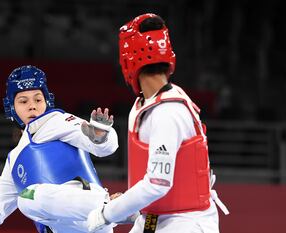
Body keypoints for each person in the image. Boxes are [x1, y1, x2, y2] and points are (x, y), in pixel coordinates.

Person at [0, 65, 121, 233]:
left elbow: (104, 147)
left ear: (47, 102)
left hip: (92, 216)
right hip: (62, 229)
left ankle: (114, 208)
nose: (32, 107)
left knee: (27, 197)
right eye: (23, 101)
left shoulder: (55, 121)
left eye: (38, 100)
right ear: (11, 107)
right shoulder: (13, 159)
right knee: (26, 197)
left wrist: (101, 136)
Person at [87, 13, 229, 233]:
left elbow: (157, 183)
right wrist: (130, 205)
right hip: (154, 217)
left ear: (128, 60)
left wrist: (108, 213)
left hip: (187, 222)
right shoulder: (144, 104)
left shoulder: (167, 112)